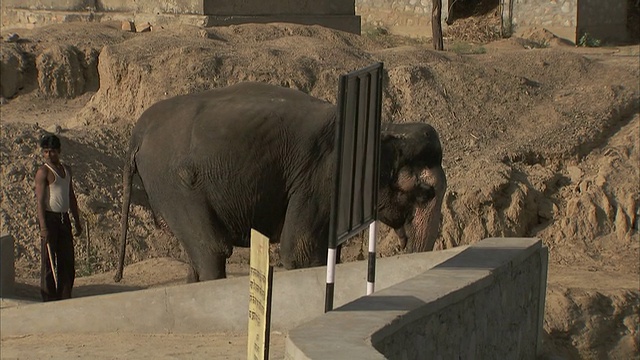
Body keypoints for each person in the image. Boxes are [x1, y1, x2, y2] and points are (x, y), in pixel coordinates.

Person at [34, 134, 82, 301]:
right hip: (50, 219)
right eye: (46, 152)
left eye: (52, 152)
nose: (48, 155)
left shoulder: (66, 170)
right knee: (48, 262)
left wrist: (77, 220)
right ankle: (48, 298)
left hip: (64, 218)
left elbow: (71, 196)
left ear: (59, 151)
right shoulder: (43, 172)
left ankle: (64, 295)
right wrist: (43, 227)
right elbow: (40, 201)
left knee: (67, 260)